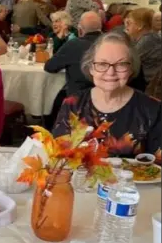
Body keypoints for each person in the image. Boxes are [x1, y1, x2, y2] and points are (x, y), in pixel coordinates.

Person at [53, 31, 161, 160]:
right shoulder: (73, 104)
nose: (110, 72)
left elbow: (157, 168)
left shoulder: (153, 109)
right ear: (91, 68)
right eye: (102, 64)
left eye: (121, 64)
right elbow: (58, 157)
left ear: (131, 69)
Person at [45, 11, 102, 95]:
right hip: (106, 96)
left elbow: (49, 67)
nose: (54, 24)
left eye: (57, 21)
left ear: (80, 30)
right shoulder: (110, 44)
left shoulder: (73, 44)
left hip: (77, 99)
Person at [125, 8, 162, 84]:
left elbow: (127, 61)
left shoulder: (148, 40)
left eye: (129, 23)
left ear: (140, 26)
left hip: (149, 85)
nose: (126, 27)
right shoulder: (151, 37)